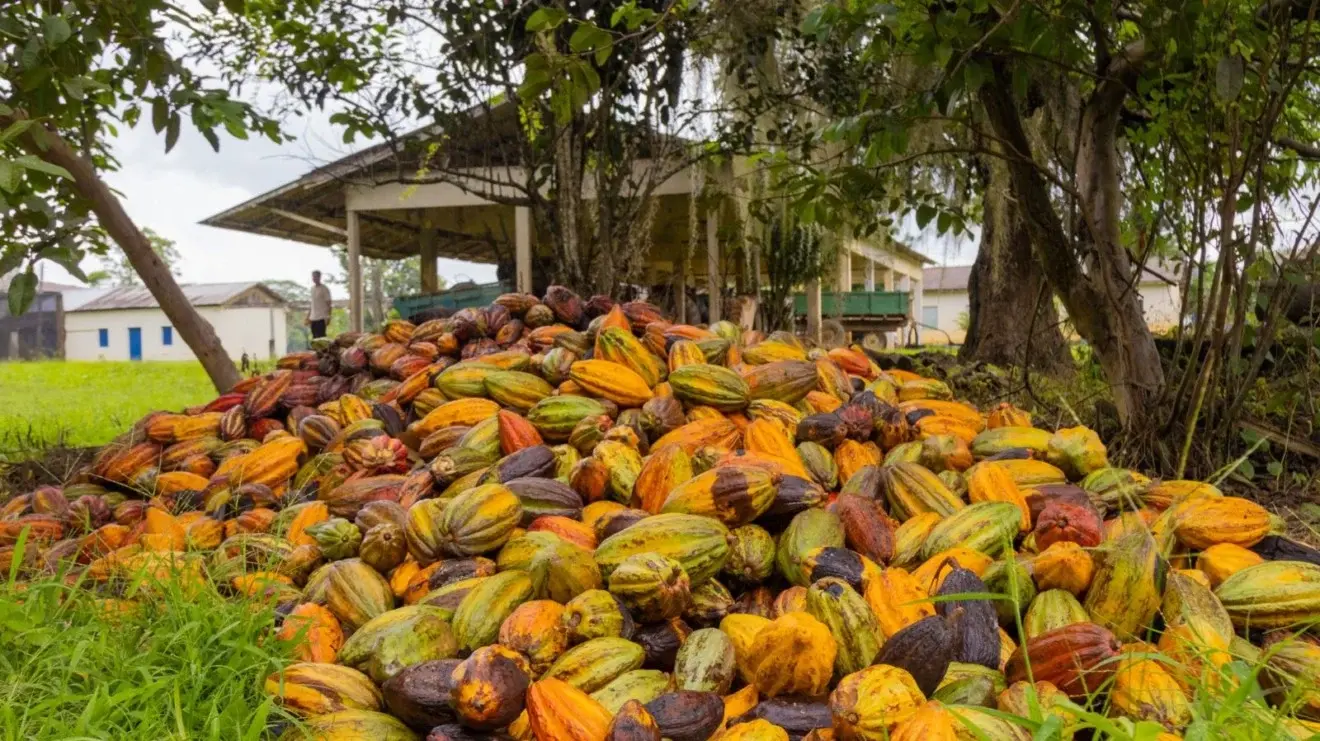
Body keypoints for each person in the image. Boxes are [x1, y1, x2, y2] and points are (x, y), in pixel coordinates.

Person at [308, 270, 331, 339]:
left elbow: (329, 304)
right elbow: (312, 304)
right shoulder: (312, 289)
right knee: (314, 338)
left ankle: (324, 350)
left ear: (319, 277)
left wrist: (328, 317)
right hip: (313, 318)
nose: (314, 278)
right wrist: (308, 317)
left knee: (322, 338)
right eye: (313, 277)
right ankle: (316, 350)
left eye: (315, 276)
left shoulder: (324, 289)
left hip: (321, 318)